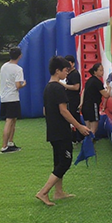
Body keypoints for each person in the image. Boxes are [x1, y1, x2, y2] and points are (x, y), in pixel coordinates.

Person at [36, 56, 91, 206]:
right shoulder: (58, 88)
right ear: (57, 71)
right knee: (65, 162)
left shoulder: (48, 87)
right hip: (61, 131)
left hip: (53, 131)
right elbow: (64, 111)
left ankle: (58, 192)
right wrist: (79, 126)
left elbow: (45, 110)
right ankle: (43, 192)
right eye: (65, 71)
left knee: (58, 161)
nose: (67, 73)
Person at [0, 47, 26, 153]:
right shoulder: (18, 69)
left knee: (13, 120)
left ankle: (10, 142)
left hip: (4, 96)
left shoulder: (4, 66)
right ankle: (4, 146)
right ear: (20, 56)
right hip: (12, 97)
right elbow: (18, 85)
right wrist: (23, 84)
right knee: (9, 121)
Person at [80, 62, 110, 138]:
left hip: (86, 107)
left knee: (88, 129)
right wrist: (109, 89)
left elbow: (84, 91)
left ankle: (87, 146)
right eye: (100, 70)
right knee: (93, 130)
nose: (102, 72)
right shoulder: (97, 82)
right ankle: (89, 146)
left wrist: (81, 103)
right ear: (95, 72)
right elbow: (106, 95)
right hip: (93, 106)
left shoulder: (89, 81)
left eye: (102, 70)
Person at [63, 54, 82, 137]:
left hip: (73, 99)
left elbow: (76, 87)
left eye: (68, 63)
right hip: (69, 99)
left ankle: (79, 136)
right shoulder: (69, 74)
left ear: (73, 63)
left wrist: (64, 85)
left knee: (74, 118)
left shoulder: (74, 74)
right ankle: (74, 136)